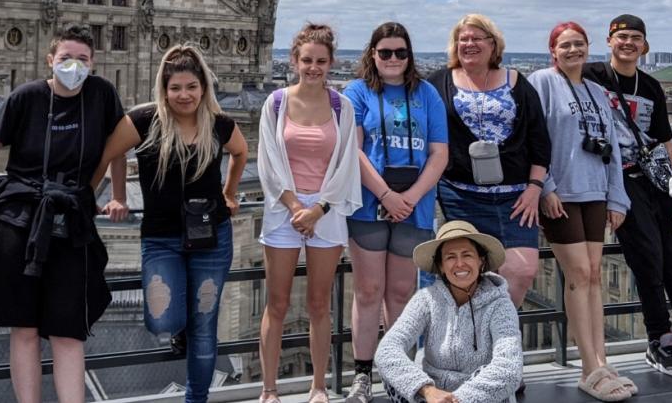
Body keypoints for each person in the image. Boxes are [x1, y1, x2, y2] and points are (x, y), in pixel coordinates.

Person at [0, 24, 126, 403]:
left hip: (71, 223)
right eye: (66, 58)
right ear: (50, 60)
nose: (74, 65)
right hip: (19, 223)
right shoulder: (26, 97)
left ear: (93, 63)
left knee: (68, 330)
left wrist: (118, 195)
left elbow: (120, 144)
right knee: (25, 328)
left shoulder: (102, 94)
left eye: (82, 59)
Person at [93, 44, 248, 403]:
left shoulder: (219, 123)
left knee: (205, 326)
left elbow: (241, 153)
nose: (184, 95)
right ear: (164, 90)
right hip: (161, 237)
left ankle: (196, 398)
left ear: (203, 88)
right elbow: (109, 153)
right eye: (175, 88)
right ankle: (183, 329)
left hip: (212, 235)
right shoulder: (143, 120)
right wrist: (113, 196)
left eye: (191, 87)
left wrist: (230, 192)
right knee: (162, 319)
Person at [342, 22, 449, 403]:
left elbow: (439, 153)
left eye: (399, 53)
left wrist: (411, 197)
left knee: (402, 293)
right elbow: (352, 151)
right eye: (384, 52)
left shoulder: (427, 94)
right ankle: (362, 374)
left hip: (414, 207)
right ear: (372, 54)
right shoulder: (356, 91)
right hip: (370, 204)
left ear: (409, 56)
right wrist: (387, 195)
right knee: (368, 291)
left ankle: (399, 374)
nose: (392, 59)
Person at [528, 22, 633, 400]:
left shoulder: (598, 92)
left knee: (594, 279)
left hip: (596, 191)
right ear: (552, 51)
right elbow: (532, 137)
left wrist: (618, 198)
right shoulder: (541, 83)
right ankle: (589, 368)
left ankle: (601, 362)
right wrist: (546, 187)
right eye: (565, 45)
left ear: (589, 48)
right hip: (562, 193)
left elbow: (615, 150)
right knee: (579, 274)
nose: (574, 50)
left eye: (579, 44)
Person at [257, 23, 362, 403]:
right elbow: (267, 160)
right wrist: (295, 206)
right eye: (307, 60)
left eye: (321, 61)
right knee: (278, 303)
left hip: (326, 211)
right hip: (284, 209)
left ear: (331, 63)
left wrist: (317, 208)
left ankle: (319, 386)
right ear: (294, 60)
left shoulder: (342, 106)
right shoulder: (276, 103)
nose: (313, 67)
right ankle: (269, 390)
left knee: (319, 303)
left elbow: (346, 163)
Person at [584, 14, 672, 378]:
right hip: (621, 179)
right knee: (648, 257)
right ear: (609, 42)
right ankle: (660, 339)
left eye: (635, 38)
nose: (628, 43)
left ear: (644, 47)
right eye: (621, 37)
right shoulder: (593, 77)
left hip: (654, 180)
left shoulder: (650, 86)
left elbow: (664, 140)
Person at [428, 13, 551, 307]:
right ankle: (476, 348)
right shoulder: (437, 83)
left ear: (493, 45)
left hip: (516, 197)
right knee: (466, 275)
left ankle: (498, 336)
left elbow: (540, 140)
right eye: (463, 39)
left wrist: (535, 187)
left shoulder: (518, 83)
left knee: (521, 270)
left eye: (476, 38)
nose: (469, 44)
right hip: (459, 194)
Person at [375, 220, 523, 403]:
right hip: (432, 394)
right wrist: (428, 391)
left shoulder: (500, 305)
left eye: (467, 255)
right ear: (441, 266)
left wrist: (456, 400)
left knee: (495, 375)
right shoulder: (426, 299)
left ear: (480, 260)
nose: (459, 264)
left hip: (478, 396)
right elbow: (387, 349)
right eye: (450, 257)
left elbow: (509, 367)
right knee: (394, 373)